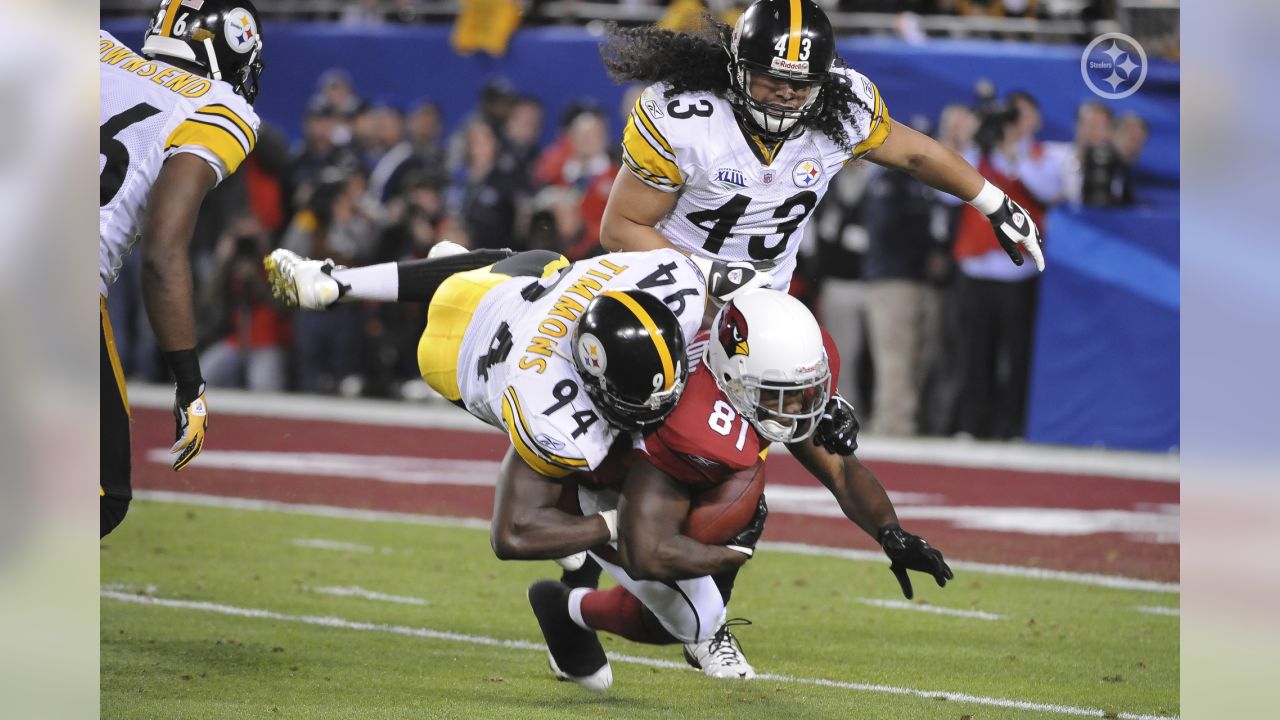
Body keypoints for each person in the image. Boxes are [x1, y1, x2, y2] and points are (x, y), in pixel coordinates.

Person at [526, 290, 952, 691]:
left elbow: (840, 471)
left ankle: (571, 608)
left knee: (735, 508)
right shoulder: (691, 421)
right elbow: (648, 551)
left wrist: (889, 531)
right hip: (607, 485)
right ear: (731, 378)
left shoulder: (759, 377)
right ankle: (576, 599)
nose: (798, 408)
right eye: (783, 396)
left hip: (686, 471)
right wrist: (732, 551)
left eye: (803, 394)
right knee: (696, 617)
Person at [598, 0, 1044, 290]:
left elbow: (915, 153)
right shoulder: (688, 120)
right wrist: (706, 275)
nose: (786, 93)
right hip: (666, 289)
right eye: (772, 78)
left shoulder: (841, 108)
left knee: (815, 412)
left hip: (761, 308)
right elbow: (619, 229)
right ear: (737, 69)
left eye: (800, 83)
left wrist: (994, 202)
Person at [99, 0, 265, 537]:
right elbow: (164, 251)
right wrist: (189, 383)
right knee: (98, 496)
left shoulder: (94, 48)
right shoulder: (217, 107)